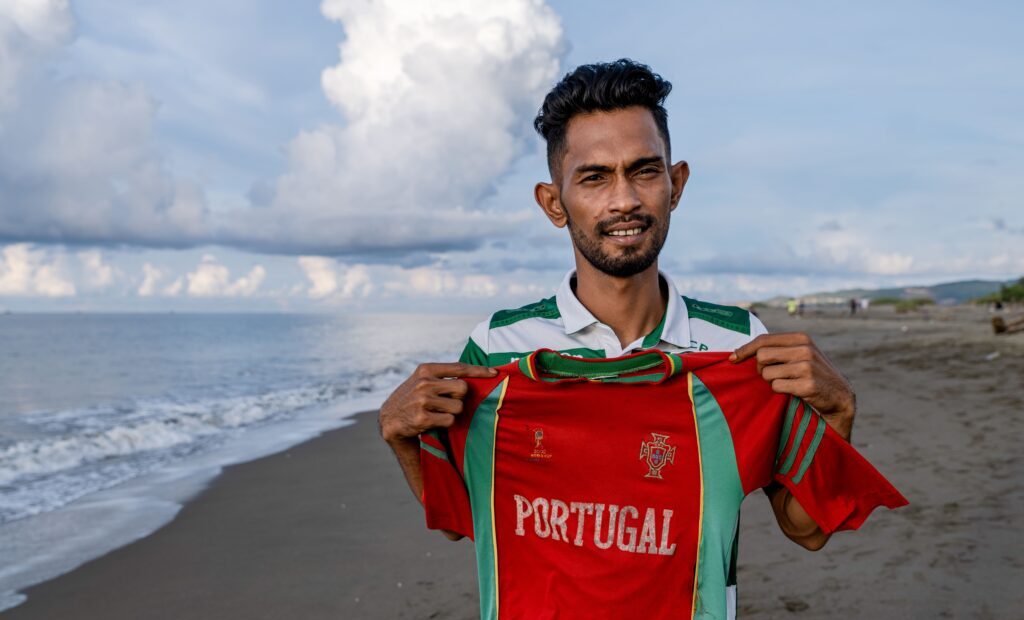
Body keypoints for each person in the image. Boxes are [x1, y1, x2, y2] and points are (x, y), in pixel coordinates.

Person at [379, 57, 859, 598]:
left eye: (645, 170)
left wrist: (838, 411)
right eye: (594, 177)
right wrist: (402, 439)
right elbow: (460, 519)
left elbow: (808, 529)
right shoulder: (496, 347)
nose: (624, 199)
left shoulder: (738, 346)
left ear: (675, 185)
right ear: (553, 203)